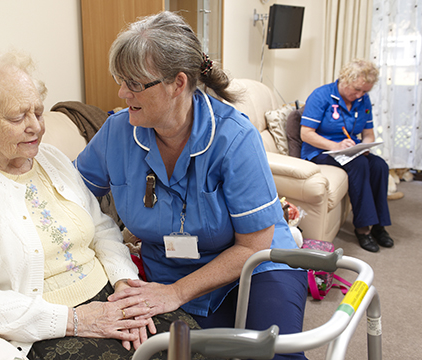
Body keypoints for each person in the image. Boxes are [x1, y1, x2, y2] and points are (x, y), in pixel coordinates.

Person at [0, 51, 202, 360]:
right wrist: (78, 320)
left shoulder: (50, 158)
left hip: (111, 298)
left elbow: (101, 229)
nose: (36, 127)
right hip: (47, 325)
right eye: (18, 117)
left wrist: (126, 286)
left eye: (38, 113)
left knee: (201, 351)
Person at [74, 12, 308, 360]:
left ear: (178, 83)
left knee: (271, 354)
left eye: (135, 83)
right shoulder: (116, 133)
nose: (122, 93)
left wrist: (176, 294)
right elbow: (70, 196)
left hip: (255, 267)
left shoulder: (234, 137)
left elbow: (252, 246)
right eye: (120, 80)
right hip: (165, 271)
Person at [300, 58, 393, 253]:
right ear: (345, 80)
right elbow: (306, 133)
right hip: (321, 152)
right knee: (359, 164)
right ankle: (363, 229)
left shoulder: (362, 100)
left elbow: (368, 134)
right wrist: (336, 145)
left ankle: (379, 226)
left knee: (379, 165)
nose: (359, 95)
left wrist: (366, 146)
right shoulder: (321, 96)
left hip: (350, 151)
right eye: (356, 89)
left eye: (364, 91)